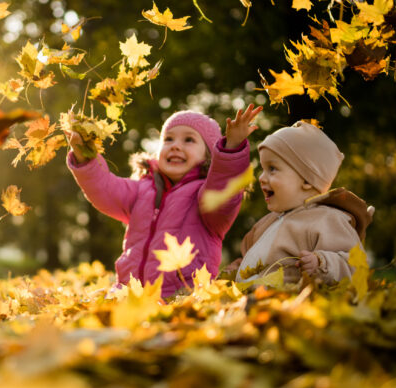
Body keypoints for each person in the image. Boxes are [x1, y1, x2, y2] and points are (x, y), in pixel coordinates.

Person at [66, 105, 262, 298]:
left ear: (208, 155)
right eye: (168, 139)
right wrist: (85, 155)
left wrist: (231, 149)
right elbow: (105, 188)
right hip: (129, 294)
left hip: (181, 297)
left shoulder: (205, 196)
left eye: (189, 140)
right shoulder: (141, 189)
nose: (175, 145)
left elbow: (224, 189)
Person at [233, 121, 374, 284]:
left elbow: (355, 264)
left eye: (272, 169)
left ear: (307, 180)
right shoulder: (268, 222)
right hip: (256, 302)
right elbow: (254, 260)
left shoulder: (327, 220)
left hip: (291, 303)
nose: (262, 178)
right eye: (263, 169)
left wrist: (322, 263)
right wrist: (238, 268)